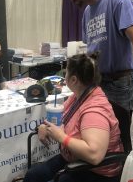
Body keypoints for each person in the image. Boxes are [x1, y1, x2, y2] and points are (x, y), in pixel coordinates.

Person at [24, 54, 123, 182]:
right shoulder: (78, 96)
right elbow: (61, 117)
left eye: (66, 72)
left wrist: (61, 137)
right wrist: (43, 126)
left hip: (96, 170)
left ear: (74, 80)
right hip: (74, 158)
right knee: (33, 176)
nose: (64, 76)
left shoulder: (95, 111)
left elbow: (94, 156)